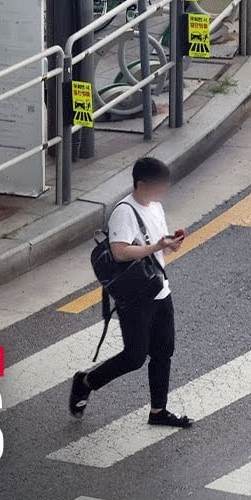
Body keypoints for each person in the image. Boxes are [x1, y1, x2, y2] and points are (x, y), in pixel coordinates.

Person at [68, 157, 192, 427]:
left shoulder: (156, 207)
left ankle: (158, 411)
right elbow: (119, 251)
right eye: (158, 185)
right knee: (134, 357)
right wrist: (156, 247)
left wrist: (169, 242)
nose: (162, 190)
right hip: (136, 296)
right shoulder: (124, 212)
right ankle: (85, 382)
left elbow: (153, 241)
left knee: (163, 352)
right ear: (141, 184)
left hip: (160, 289)